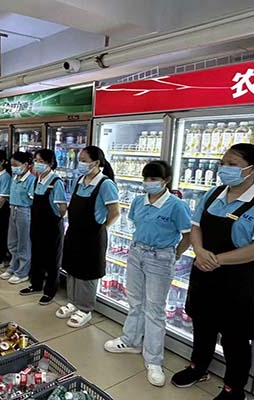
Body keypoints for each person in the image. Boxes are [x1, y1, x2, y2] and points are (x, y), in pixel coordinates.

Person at [171, 143, 254, 400]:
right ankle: (198, 367)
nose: (224, 168)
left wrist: (216, 260)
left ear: (252, 169)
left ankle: (233, 389)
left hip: (240, 280)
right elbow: (196, 226)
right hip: (205, 271)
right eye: (222, 163)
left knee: (235, 337)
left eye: (232, 164)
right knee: (202, 325)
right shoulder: (214, 194)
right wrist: (199, 251)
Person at [104, 160, 192, 387]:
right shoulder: (138, 201)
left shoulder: (176, 206)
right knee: (135, 301)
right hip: (136, 253)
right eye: (146, 178)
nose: (148, 183)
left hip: (160, 258)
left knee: (154, 309)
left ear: (166, 181)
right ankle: (131, 340)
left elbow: (188, 236)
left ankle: (153, 360)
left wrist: (174, 254)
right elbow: (137, 224)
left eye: (154, 179)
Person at [57, 146, 120, 328]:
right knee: (72, 267)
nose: (81, 164)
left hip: (93, 235)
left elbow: (115, 212)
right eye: (80, 160)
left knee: (88, 272)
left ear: (96, 163)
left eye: (84, 160)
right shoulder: (80, 180)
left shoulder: (105, 184)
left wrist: (102, 227)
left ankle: (85, 309)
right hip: (74, 232)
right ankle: (73, 301)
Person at [19, 149, 67, 305]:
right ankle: (36, 284)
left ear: (50, 163)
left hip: (52, 227)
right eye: (36, 161)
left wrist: (55, 218)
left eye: (41, 161)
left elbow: (62, 208)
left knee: (52, 260)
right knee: (37, 256)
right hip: (37, 225)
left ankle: (50, 291)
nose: (37, 164)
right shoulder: (37, 180)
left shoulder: (56, 182)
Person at [0, 151, 36, 285]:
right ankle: (13, 267)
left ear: (25, 164)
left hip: (24, 212)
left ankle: (22, 272)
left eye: (16, 165)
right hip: (13, 209)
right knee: (12, 242)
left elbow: (32, 200)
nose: (13, 168)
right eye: (12, 165)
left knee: (23, 243)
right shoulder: (15, 177)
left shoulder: (31, 180)